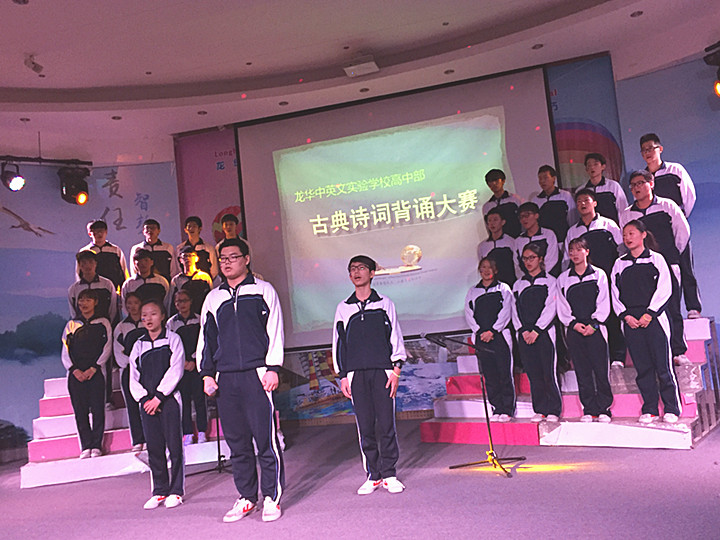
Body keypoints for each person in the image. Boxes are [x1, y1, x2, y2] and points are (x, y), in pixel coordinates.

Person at [197, 238, 285, 523]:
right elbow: (206, 339)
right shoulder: (213, 298)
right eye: (222, 258)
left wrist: (273, 367)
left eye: (233, 257)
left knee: (265, 441)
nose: (227, 262)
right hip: (226, 378)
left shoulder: (263, 290)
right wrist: (207, 374)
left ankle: (271, 497)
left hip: (257, 374)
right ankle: (247, 497)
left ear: (246, 259)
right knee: (237, 443)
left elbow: (274, 330)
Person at [333, 255, 407, 495]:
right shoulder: (343, 308)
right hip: (356, 374)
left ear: (372, 273)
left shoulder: (385, 304)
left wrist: (396, 370)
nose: (356, 272)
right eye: (352, 269)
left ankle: (389, 474)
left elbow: (395, 336)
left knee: (386, 424)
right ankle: (373, 475)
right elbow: (339, 344)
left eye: (362, 268)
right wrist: (343, 376)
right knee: (365, 426)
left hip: (383, 371)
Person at [611, 220, 681, 424]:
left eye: (631, 233)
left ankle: (671, 408)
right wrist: (626, 316)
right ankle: (650, 408)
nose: (627, 238)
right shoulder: (619, 264)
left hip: (655, 320)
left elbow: (665, 288)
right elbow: (614, 293)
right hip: (631, 322)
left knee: (663, 366)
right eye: (625, 235)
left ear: (643, 235)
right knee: (643, 368)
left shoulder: (656, 259)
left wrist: (650, 313)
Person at [620, 170, 690, 365]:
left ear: (651, 183)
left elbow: (682, 234)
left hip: (668, 263)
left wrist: (671, 256)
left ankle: (678, 350)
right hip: (641, 270)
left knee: (672, 307)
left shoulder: (667, 206)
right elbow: (625, 241)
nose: (636, 188)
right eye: (633, 185)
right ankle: (656, 353)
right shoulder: (627, 214)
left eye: (640, 183)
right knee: (647, 308)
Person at [129, 298, 185, 509]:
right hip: (147, 404)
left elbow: (176, 369)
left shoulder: (173, 339)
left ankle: (176, 491)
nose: (148, 318)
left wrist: (159, 397)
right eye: (144, 315)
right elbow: (133, 376)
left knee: (174, 446)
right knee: (154, 447)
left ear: (162, 316)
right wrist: (145, 399)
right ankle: (160, 490)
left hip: (169, 400)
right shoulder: (138, 345)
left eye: (153, 314)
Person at [640, 133, 701, 318]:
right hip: (656, 229)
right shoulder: (643, 178)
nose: (648, 153)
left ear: (660, 149)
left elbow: (689, 196)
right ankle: (667, 311)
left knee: (685, 266)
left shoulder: (675, 170)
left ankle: (693, 307)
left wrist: (680, 218)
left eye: (651, 148)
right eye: (644, 150)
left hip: (677, 224)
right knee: (661, 269)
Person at [564, 188, 626, 367]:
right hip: (586, 282)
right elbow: (567, 259)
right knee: (591, 318)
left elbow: (621, 251)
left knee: (612, 317)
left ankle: (618, 357)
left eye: (586, 200)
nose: (582, 204)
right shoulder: (572, 232)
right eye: (579, 201)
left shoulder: (608, 225)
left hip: (608, 278)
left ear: (595, 203)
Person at [557, 238, 613, 422]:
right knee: (583, 371)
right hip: (575, 331)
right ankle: (589, 409)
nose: (574, 253)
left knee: (601, 370)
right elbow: (562, 307)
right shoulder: (563, 279)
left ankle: (604, 409)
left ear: (587, 252)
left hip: (596, 329)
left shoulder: (599, 274)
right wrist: (573, 324)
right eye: (571, 250)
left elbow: (604, 302)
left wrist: (594, 324)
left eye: (578, 249)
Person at [512, 243, 562, 422]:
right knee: (534, 374)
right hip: (525, 335)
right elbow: (514, 309)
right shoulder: (518, 284)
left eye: (532, 258)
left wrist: (537, 330)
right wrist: (523, 330)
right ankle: (540, 409)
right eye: (525, 258)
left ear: (540, 259)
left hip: (544, 333)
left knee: (548, 372)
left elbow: (551, 307)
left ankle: (553, 410)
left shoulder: (550, 281)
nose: (528, 262)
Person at [61, 289, 112, 458]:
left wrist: (94, 368)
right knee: (80, 411)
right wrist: (74, 370)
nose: (84, 303)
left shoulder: (103, 323)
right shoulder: (71, 324)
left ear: (95, 302)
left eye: (88, 299)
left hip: (95, 372)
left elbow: (107, 347)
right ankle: (86, 446)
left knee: (98, 410)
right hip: (76, 374)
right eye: (81, 300)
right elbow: (65, 351)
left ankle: (96, 445)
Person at [465, 257, 515, 422]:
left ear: (495, 270)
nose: (486, 271)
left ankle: (507, 409)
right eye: (483, 267)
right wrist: (480, 331)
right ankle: (496, 408)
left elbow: (506, 311)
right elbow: (469, 313)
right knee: (490, 375)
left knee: (504, 373)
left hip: (500, 336)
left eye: (489, 267)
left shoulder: (503, 288)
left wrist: (493, 330)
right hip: (481, 338)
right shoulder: (473, 291)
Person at [167, 289, 207, 446]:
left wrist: (194, 361)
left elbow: (204, 341)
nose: (181, 304)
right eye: (178, 302)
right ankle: (188, 433)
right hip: (180, 367)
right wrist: (182, 362)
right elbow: (170, 346)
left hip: (197, 366)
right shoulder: (171, 323)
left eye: (184, 300)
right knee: (183, 401)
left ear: (190, 301)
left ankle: (202, 431)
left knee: (199, 399)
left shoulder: (199, 319)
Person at [113, 292, 147, 452]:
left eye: (135, 303)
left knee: (147, 404)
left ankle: (150, 437)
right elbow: (118, 352)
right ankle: (137, 440)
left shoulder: (147, 323)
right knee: (132, 406)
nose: (132, 307)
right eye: (129, 304)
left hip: (147, 370)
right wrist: (132, 363)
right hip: (128, 371)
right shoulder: (121, 327)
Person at [68, 250, 118, 324]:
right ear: (79, 266)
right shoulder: (74, 289)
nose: (87, 266)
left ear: (96, 264)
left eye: (90, 262)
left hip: (103, 325)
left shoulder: (107, 284)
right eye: (84, 263)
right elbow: (73, 313)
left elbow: (112, 309)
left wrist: (108, 324)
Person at [531, 165, 577, 245]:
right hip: (545, 241)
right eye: (540, 178)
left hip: (563, 240)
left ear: (554, 178)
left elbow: (572, 218)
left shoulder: (565, 196)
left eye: (545, 178)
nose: (542, 181)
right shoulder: (536, 200)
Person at [78, 219, 128, 291]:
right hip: (91, 291)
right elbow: (79, 273)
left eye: (101, 231)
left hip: (113, 290)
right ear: (90, 233)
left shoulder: (115, 250)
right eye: (96, 231)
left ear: (106, 232)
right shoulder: (85, 251)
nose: (99, 234)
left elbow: (123, 270)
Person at [514, 202, 560, 277]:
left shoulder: (548, 234)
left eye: (527, 215)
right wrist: (526, 277)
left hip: (546, 278)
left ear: (536, 215)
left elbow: (552, 259)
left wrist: (540, 275)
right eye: (521, 217)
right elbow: (517, 265)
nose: (524, 219)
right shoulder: (518, 240)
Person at [477, 207, 519, 286]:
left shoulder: (511, 241)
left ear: (503, 222)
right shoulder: (482, 246)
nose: (492, 223)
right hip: (492, 285)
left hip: (510, 283)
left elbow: (516, 265)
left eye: (495, 220)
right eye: (489, 220)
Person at [583, 153, 628, 224]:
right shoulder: (582, 190)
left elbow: (622, 209)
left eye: (595, 164)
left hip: (612, 227)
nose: (592, 167)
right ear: (586, 169)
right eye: (589, 165)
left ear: (603, 166)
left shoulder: (613, 186)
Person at [130, 219, 179, 283]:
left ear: (159, 231)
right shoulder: (137, 248)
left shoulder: (167, 248)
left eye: (153, 228)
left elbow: (173, 269)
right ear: (143, 231)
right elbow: (133, 270)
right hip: (143, 284)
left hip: (164, 283)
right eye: (147, 228)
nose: (150, 230)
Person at [169, 245, 212, 317]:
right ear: (180, 260)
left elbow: (210, 297)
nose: (188, 258)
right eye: (185, 256)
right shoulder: (176, 280)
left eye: (191, 256)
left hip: (202, 313)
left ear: (196, 258)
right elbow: (172, 302)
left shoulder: (204, 277)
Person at [481, 169, 524, 238]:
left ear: (503, 181)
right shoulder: (487, 206)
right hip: (500, 241)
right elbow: (489, 228)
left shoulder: (515, 199)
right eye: (490, 182)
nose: (494, 184)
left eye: (496, 180)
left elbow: (523, 219)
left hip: (517, 238)